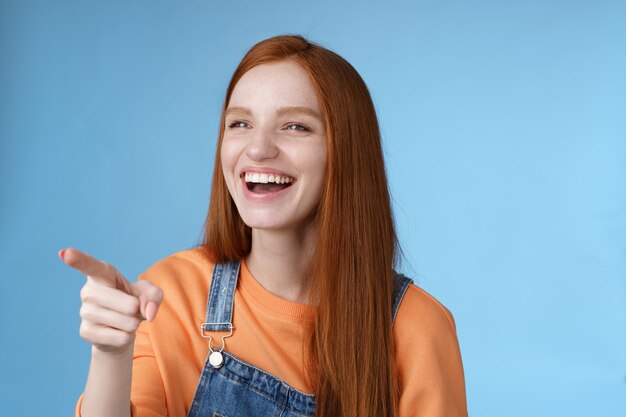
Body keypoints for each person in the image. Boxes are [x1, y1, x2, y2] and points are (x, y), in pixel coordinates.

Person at [60, 34, 468, 417]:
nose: (258, 148)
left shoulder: (418, 329)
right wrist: (111, 353)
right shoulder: (173, 295)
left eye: (295, 126)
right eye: (240, 123)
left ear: (345, 152)